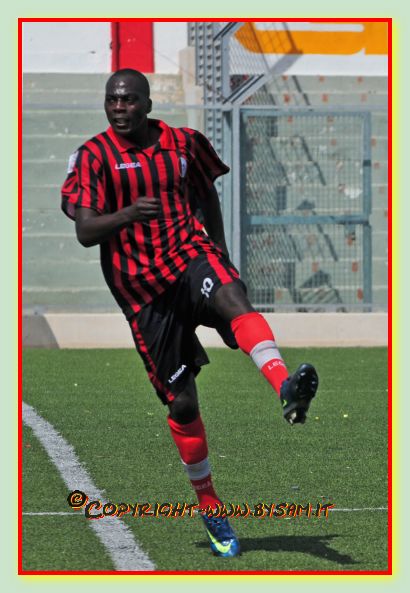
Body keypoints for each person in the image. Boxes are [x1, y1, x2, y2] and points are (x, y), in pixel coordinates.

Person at [61, 68, 318, 558]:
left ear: (148, 104)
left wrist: (220, 252)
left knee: (233, 296)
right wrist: (128, 214)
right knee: (182, 405)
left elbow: (205, 194)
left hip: (188, 257)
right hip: (143, 294)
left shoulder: (183, 143)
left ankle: (285, 386)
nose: (120, 108)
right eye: (113, 100)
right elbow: (85, 231)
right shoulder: (93, 157)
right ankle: (210, 504)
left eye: (129, 100)